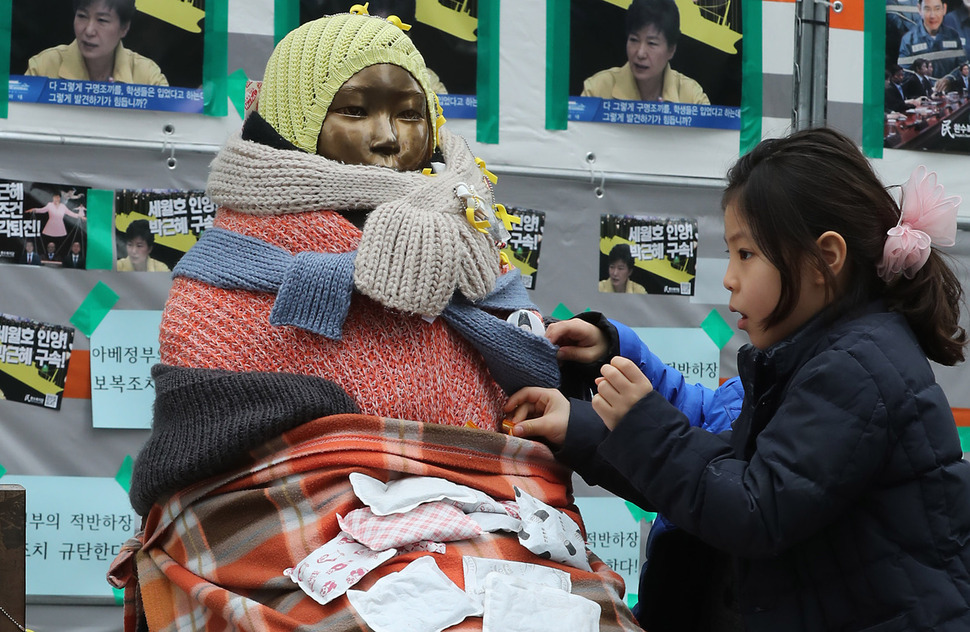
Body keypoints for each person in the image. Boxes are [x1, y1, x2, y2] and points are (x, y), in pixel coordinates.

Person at [112, 9, 639, 632]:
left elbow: (515, 412)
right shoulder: (232, 266)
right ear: (296, 126)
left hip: (482, 518)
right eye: (355, 111)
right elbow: (217, 460)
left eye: (410, 113)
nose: (389, 136)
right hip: (298, 532)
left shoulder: (465, 247)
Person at [508, 127, 970, 632]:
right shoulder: (817, 358)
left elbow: (749, 507)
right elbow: (713, 473)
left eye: (745, 255)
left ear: (825, 260)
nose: (728, 277)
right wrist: (584, 426)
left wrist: (639, 423)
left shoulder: (855, 369)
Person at [550, 313, 744, 631]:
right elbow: (701, 420)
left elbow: (712, 471)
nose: (730, 280)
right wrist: (608, 355)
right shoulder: (777, 379)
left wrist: (584, 425)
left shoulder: (831, 390)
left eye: (747, 259)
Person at [581, 0, 709, 104]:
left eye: (651, 43)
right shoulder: (597, 89)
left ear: (671, 50)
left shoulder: (692, 97)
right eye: (634, 40)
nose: (640, 53)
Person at [25, 0, 167, 85]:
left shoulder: (147, 76)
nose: (89, 30)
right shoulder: (43, 67)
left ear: (124, 28)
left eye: (102, 20)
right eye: (82, 16)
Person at [898, 0, 964, 81]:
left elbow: (963, 66)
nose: (932, 15)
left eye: (937, 9)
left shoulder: (953, 35)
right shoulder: (908, 40)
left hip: (952, 92)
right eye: (927, 9)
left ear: (944, 9)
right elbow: (903, 74)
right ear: (919, 9)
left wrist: (950, 79)